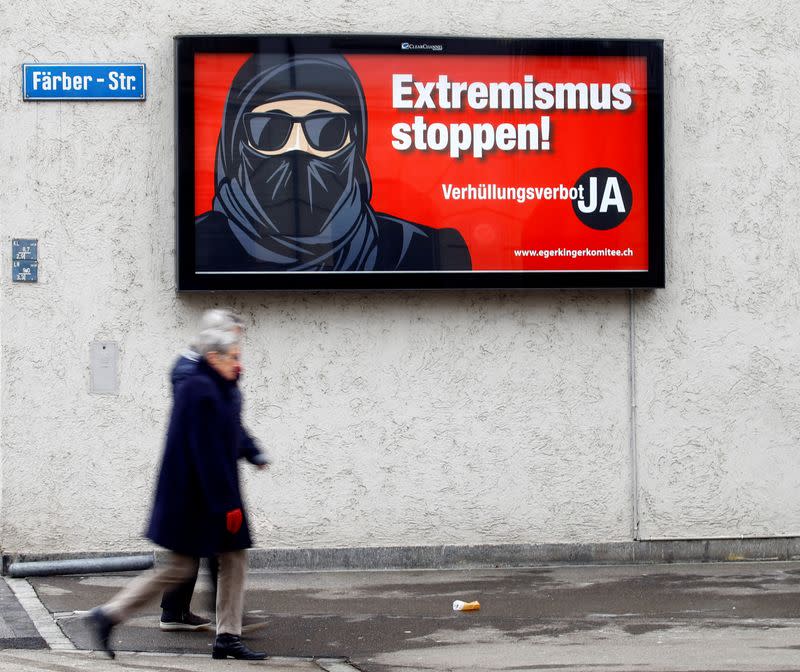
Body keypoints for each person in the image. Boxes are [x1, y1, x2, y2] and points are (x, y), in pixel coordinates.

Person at [195, 52, 472, 272]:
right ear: (235, 145)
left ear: (355, 144)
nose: (298, 148)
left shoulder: (417, 250)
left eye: (327, 130)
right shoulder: (201, 243)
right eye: (271, 130)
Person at [87, 328, 266, 660]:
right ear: (214, 357)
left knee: (216, 561)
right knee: (201, 564)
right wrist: (226, 504)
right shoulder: (199, 388)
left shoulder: (213, 386)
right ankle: (113, 614)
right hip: (197, 498)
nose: (239, 363)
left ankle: (223, 634)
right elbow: (206, 451)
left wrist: (253, 452)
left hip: (198, 497)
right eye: (234, 356)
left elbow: (229, 430)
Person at [159, 309, 269, 633]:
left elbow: (227, 421)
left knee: (201, 545)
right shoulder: (191, 371)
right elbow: (210, 424)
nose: (237, 344)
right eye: (234, 335)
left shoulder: (201, 367)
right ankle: (223, 622)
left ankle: (179, 611)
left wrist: (250, 449)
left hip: (203, 470)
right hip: (199, 472)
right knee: (213, 545)